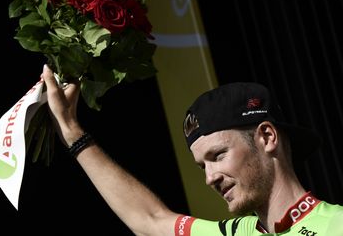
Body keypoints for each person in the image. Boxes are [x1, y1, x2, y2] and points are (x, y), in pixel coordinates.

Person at [40, 64, 343, 235]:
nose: (210, 177)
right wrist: (71, 132)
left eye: (218, 155)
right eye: (202, 166)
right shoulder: (236, 233)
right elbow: (149, 220)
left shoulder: (337, 225)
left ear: (266, 137)